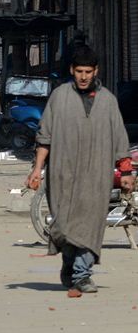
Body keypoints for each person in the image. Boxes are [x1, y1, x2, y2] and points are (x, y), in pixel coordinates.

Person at [25, 47, 133, 294]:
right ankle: (69, 263)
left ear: (96, 71)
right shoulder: (59, 97)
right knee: (63, 225)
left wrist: (125, 172)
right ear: (72, 71)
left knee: (90, 224)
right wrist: (37, 170)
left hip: (96, 175)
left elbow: (119, 138)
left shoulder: (108, 101)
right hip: (62, 173)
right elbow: (45, 138)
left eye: (88, 72)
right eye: (79, 71)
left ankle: (83, 275)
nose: (84, 76)